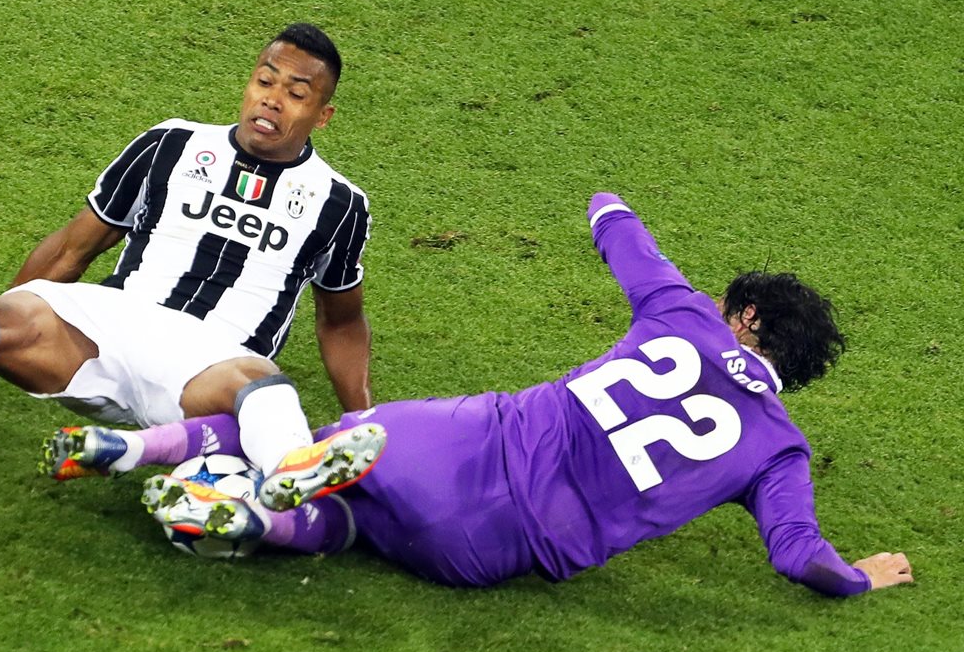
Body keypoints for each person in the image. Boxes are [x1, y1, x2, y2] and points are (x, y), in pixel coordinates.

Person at [53, 192, 913, 597]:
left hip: (460, 442)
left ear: (745, 313)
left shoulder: (686, 315)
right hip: (487, 552)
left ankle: (142, 449)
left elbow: (617, 224)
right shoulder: (780, 448)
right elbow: (802, 555)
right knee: (356, 529)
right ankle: (260, 525)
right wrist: (863, 577)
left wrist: (604, 204)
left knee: (305, 438)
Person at [0, 23, 376, 480]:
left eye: (295, 94)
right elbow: (75, 247)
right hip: (113, 326)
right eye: (265, 81)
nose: (272, 101)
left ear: (321, 116)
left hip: (213, 364)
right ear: (248, 82)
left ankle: (294, 469)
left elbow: (341, 320)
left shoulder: (340, 203)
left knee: (262, 385)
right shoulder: (170, 144)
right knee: (16, 317)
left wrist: (362, 416)